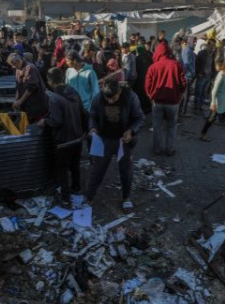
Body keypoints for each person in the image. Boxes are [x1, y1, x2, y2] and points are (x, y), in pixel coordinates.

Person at [86, 78, 145, 211]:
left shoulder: (130, 97)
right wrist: (93, 128)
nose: (111, 101)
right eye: (108, 99)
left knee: (126, 170)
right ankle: (89, 197)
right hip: (104, 139)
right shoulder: (98, 97)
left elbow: (139, 117)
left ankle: (126, 197)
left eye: (113, 98)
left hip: (123, 139)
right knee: (97, 170)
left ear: (119, 91)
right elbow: (93, 115)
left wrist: (131, 131)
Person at [38, 67, 87, 207]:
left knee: (63, 170)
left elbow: (56, 121)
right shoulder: (73, 92)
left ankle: (66, 199)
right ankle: (77, 189)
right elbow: (83, 112)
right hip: (77, 138)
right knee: (75, 166)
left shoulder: (54, 98)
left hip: (63, 141)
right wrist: (83, 130)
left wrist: (45, 122)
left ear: (50, 81)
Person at [145, 42, 187, 156]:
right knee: (172, 126)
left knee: (157, 126)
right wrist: (180, 96)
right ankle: (170, 149)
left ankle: (157, 149)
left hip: (157, 102)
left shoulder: (153, 67)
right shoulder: (176, 65)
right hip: (173, 102)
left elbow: (147, 86)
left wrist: (151, 97)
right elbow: (184, 83)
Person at [199, 60, 225, 143]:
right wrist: (213, 102)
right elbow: (214, 90)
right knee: (211, 119)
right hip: (218, 103)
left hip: (224, 102)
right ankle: (202, 134)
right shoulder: (221, 75)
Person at [8, 53, 48, 122]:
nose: (13, 67)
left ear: (18, 62)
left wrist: (20, 101)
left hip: (36, 104)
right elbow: (18, 86)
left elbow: (31, 88)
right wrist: (16, 99)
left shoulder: (30, 68)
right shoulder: (18, 69)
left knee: (37, 125)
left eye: (13, 65)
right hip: (27, 105)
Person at [194, 39, 216, 112]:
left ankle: (200, 107)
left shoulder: (212, 54)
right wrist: (199, 73)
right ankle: (196, 108)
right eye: (211, 45)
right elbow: (196, 64)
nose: (212, 47)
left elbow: (213, 65)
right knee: (198, 93)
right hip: (202, 76)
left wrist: (213, 76)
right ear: (208, 45)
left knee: (204, 93)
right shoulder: (201, 53)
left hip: (208, 76)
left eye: (213, 45)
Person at [134, 44, 153, 114]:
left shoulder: (137, 58)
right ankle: (150, 107)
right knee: (148, 93)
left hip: (140, 78)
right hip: (149, 77)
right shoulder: (149, 56)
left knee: (141, 94)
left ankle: (143, 108)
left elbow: (136, 69)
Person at [180, 37, 196, 115]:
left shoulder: (189, 50)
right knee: (186, 95)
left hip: (188, 75)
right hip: (187, 76)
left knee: (185, 94)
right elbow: (187, 64)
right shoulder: (188, 50)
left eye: (195, 42)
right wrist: (193, 72)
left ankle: (182, 111)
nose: (195, 43)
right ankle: (183, 112)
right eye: (193, 41)